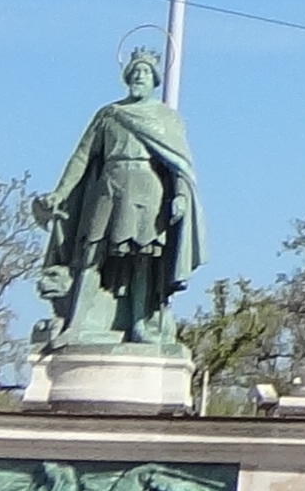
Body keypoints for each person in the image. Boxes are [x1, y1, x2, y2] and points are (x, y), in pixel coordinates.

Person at [36, 42, 206, 351]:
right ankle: (76, 323)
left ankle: (140, 324)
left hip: (148, 189)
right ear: (127, 76)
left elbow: (180, 164)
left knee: (142, 258)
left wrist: (180, 195)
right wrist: (61, 192)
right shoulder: (109, 114)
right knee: (90, 254)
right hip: (109, 187)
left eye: (146, 72)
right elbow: (82, 156)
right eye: (135, 71)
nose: (139, 76)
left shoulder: (167, 119)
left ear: (154, 79)